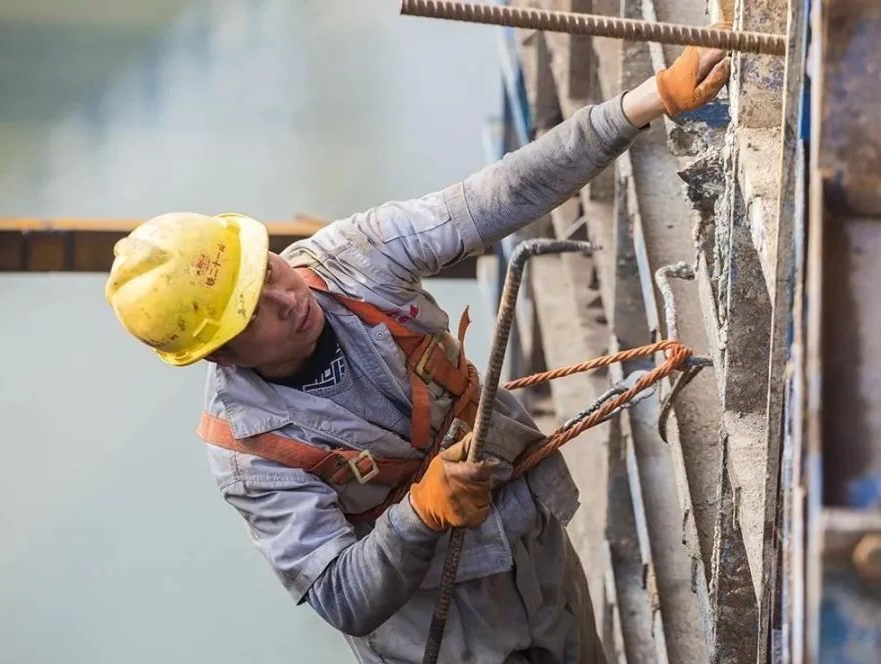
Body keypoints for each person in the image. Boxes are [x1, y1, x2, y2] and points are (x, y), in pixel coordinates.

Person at [105, 36, 730, 663]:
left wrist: (641, 104)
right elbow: (339, 594)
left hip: (536, 561)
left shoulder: (352, 260)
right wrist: (420, 514)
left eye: (266, 271)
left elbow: (498, 195)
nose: (284, 296)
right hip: (440, 632)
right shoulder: (252, 454)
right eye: (252, 312)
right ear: (223, 356)